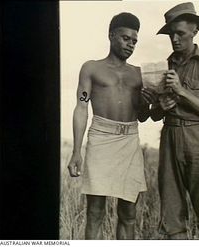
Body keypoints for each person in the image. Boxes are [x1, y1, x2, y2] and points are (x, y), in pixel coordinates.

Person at [142, 2, 199, 240]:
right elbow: (156, 115)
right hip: (169, 140)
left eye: (180, 33)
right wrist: (158, 105)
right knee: (172, 218)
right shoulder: (163, 67)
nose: (175, 39)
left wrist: (181, 91)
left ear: (195, 30)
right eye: (171, 34)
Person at [67, 12, 152, 240]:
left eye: (134, 41)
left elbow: (143, 116)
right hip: (101, 139)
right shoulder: (92, 68)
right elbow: (81, 107)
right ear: (111, 35)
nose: (130, 45)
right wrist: (76, 151)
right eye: (126, 38)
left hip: (130, 140)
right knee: (95, 211)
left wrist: (146, 103)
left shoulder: (138, 74)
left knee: (129, 213)